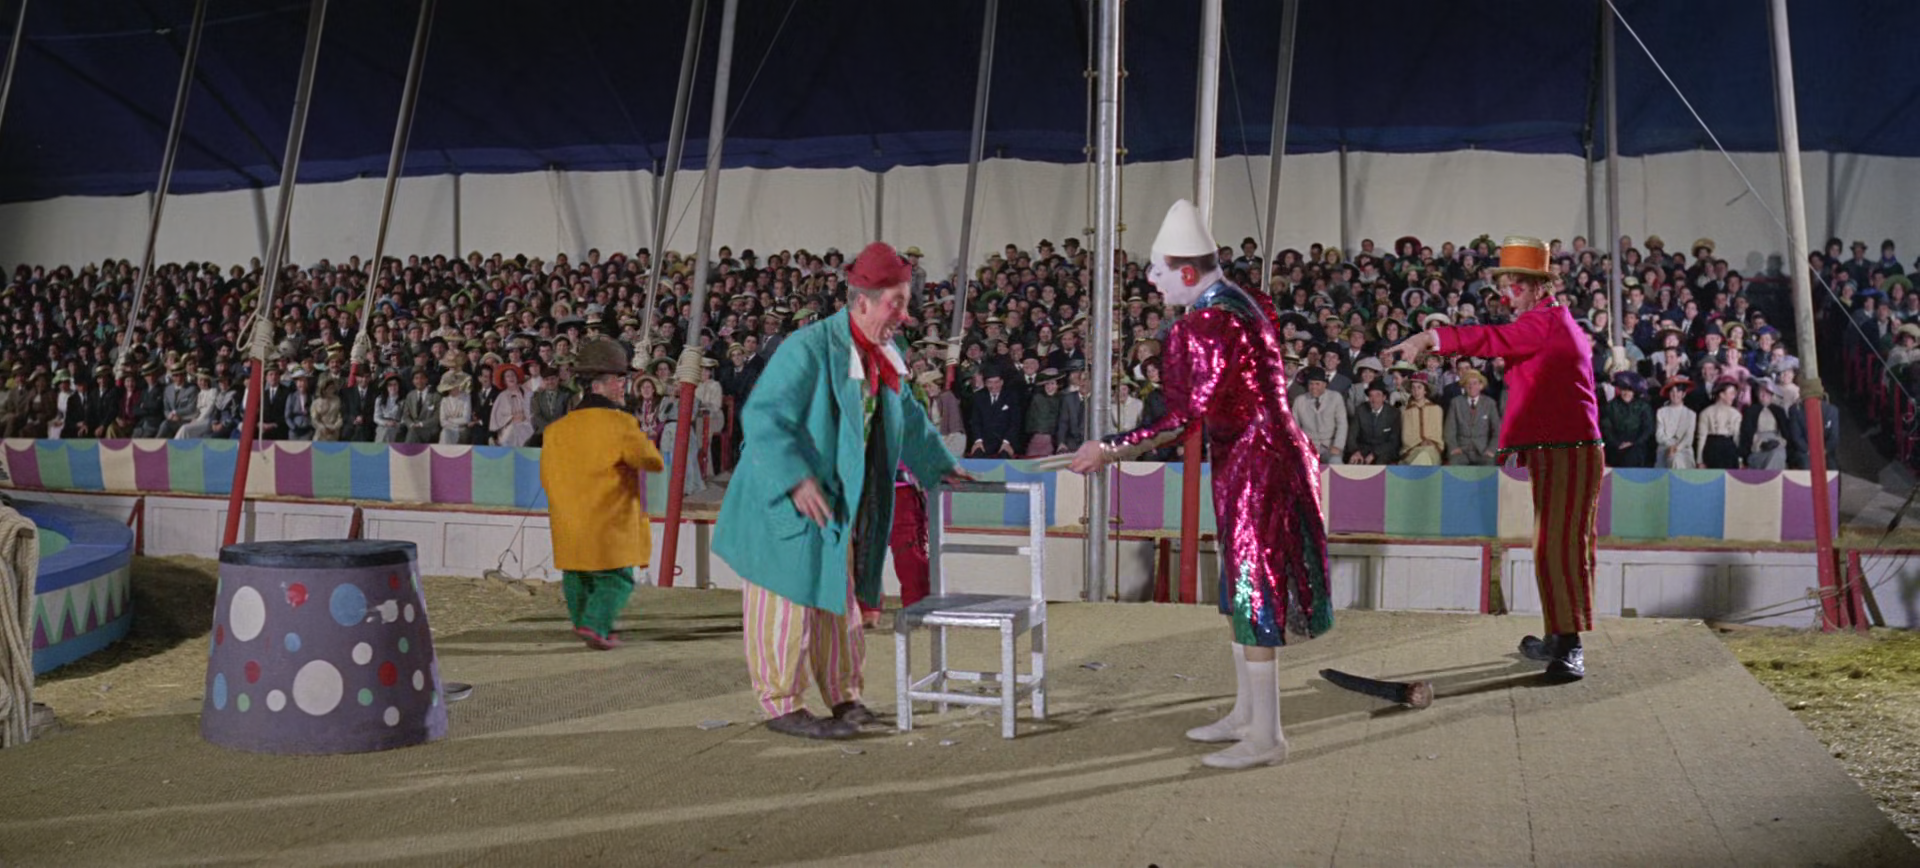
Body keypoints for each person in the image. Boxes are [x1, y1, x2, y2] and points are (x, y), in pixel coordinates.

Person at [1071, 200, 1332, 770]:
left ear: (1187, 272)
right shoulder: (1239, 301)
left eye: (1158, 270)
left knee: (1255, 592)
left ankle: (1267, 736)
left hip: (1258, 466)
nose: (1151, 280)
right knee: (1242, 587)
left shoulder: (1207, 323)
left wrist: (1109, 448)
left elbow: (1181, 418)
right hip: (1259, 459)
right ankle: (1248, 716)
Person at [713, 241, 965, 741]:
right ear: (863, 302)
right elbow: (762, 415)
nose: (904, 315)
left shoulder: (884, 353)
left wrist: (941, 467)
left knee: (837, 600)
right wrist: (796, 477)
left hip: (831, 503)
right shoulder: (807, 348)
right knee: (784, 602)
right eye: (896, 303)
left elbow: (909, 417)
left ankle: (844, 696)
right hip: (782, 499)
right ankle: (782, 703)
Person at [1388, 235, 1601, 682]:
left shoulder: (1545, 322)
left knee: (1561, 546)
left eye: (1514, 286)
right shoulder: (1544, 320)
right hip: (1554, 448)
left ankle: (1571, 646)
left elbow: (1490, 338)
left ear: (1539, 286)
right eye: (1503, 286)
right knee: (1549, 546)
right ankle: (1558, 636)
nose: (1506, 295)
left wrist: (1428, 338)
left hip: (1570, 449)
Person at [539, 336, 665, 650]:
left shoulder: (556, 429)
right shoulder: (621, 424)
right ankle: (595, 625)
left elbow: (546, 477)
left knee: (577, 575)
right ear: (597, 385)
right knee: (616, 578)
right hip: (609, 519)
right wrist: (642, 438)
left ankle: (583, 622)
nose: (622, 386)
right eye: (617, 381)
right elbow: (651, 461)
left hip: (569, 519)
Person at [1290, 368, 1346, 466]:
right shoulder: (1299, 400)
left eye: (1317, 384)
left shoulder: (1336, 398)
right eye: (1311, 384)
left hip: (1330, 445)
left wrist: (1338, 446)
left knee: (1336, 461)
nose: (1313, 387)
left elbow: (1342, 424)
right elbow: (1295, 428)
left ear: (1325, 384)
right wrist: (1300, 446)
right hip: (1308, 447)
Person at [1600, 371, 1655, 468]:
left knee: (1633, 455)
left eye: (1630, 390)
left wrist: (1634, 443)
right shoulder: (1610, 406)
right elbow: (1606, 429)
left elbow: (1648, 429)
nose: (1626, 393)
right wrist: (1617, 444)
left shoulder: (1644, 407)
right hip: (1616, 446)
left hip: (1638, 445)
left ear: (1635, 391)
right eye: (1623, 389)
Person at [1346, 381, 1401, 465]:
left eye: (1377, 395)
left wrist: (1374, 454)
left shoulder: (1393, 413)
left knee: (1381, 462)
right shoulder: (1360, 410)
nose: (1374, 399)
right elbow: (1351, 436)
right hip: (1363, 449)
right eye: (1371, 395)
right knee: (1354, 462)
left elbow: (1394, 442)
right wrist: (1356, 452)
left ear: (1384, 397)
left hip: (1384, 451)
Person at [1740, 380, 1789, 469]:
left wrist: (1778, 442)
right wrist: (1760, 444)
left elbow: (1786, 434)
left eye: (1766, 392)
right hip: (1757, 447)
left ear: (1771, 394)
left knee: (1778, 453)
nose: (1763, 395)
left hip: (1777, 442)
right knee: (1773, 455)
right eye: (1761, 392)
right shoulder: (1751, 410)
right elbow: (1746, 434)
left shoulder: (1779, 411)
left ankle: (1771, 476)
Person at [1399, 373, 1444, 465]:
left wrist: (1430, 442)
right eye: (1413, 388)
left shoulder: (1436, 409)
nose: (1416, 391)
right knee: (1422, 457)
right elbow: (1405, 436)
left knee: (1425, 454)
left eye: (1419, 387)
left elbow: (1438, 432)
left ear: (1425, 391)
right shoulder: (1405, 411)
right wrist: (1419, 443)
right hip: (1412, 450)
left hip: (1432, 450)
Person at [1696, 381, 1743, 469]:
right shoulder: (1706, 413)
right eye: (1731, 394)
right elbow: (1701, 438)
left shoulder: (1736, 414)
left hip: (1729, 450)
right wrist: (1700, 461)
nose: (1733, 397)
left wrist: (1740, 459)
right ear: (1722, 395)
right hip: (1711, 448)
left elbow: (1737, 438)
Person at [1654, 377, 1696, 468]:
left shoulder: (1691, 414)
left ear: (1683, 394)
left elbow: (1689, 438)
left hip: (1683, 449)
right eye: (1672, 391)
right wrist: (1670, 445)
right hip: (1665, 447)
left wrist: (1677, 448)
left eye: (1678, 391)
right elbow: (1659, 435)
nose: (1675, 394)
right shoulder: (1661, 412)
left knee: (1677, 459)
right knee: (1671, 458)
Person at [490, 364, 534, 447]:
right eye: (508, 376)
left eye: (513, 375)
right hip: (509, 427)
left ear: (517, 377)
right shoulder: (502, 396)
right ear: (504, 380)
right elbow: (497, 418)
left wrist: (524, 417)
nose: (511, 378)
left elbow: (533, 410)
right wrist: (511, 418)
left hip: (527, 424)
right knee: (511, 430)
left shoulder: (527, 392)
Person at [437, 369, 473, 444]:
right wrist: (454, 424)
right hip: (448, 429)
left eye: (455, 385)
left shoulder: (466, 397)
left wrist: (450, 420)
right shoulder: (444, 400)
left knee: (446, 434)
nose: (453, 388)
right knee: (445, 433)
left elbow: (466, 419)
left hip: (462, 430)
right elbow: (442, 421)